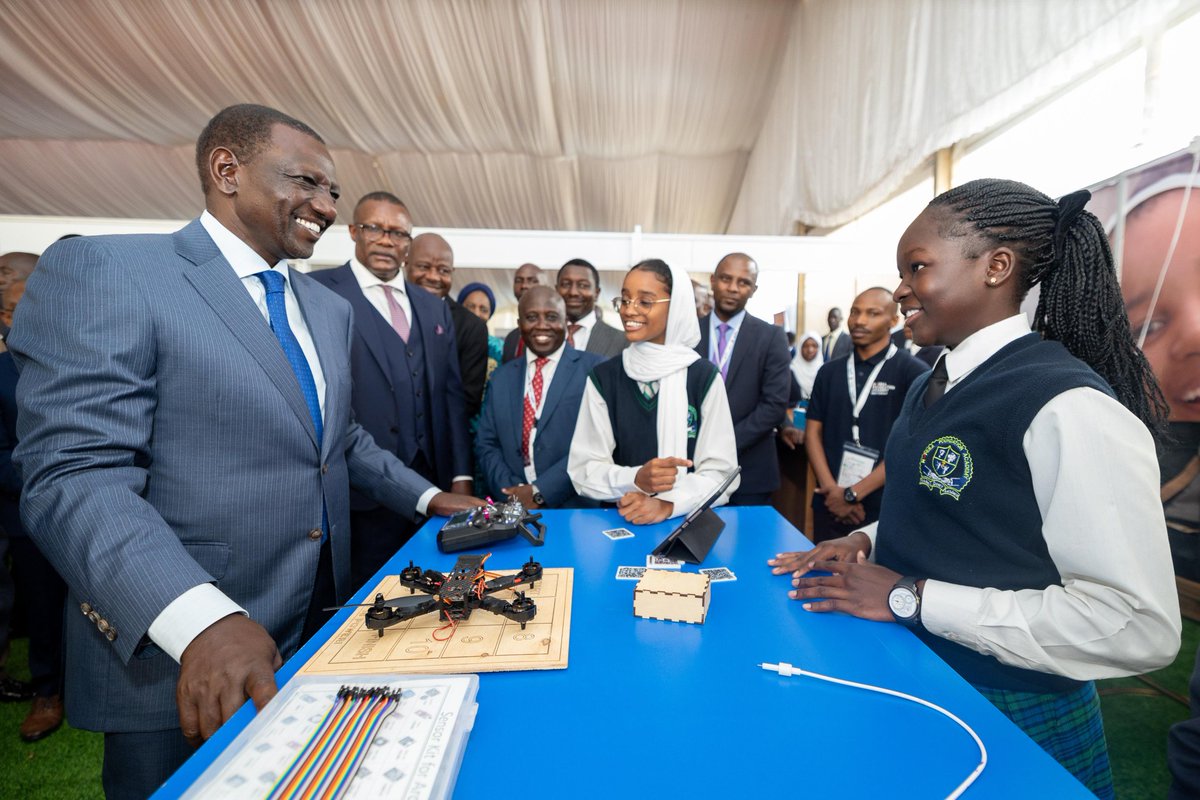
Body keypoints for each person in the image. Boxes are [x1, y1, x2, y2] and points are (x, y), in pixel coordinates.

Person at [8, 104, 480, 798]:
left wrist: (430, 496)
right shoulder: (108, 268)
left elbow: (338, 436)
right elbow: (75, 475)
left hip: (317, 625)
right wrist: (202, 620)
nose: (324, 205)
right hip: (179, 652)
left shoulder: (327, 308)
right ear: (225, 169)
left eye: (333, 193)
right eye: (306, 182)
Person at [771, 178, 1181, 798]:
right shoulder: (933, 381)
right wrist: (866, 540)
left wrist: (911, 596)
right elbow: (969, 509)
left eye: (917, 267)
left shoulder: (1067, 406)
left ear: (996, 266)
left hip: (1012, 713)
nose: (902, 288)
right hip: (916, 675)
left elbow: (1134, 625)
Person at [309, 192, 475, 587]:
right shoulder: (317, 292)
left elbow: (451, 397)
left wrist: (461, 475)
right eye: (375, 229)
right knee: (369, 596)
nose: (387, 240)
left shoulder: (433, 307)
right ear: (353, 232)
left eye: (398, 233)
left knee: (437, 590)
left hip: (431, 482)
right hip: (358, 490)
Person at [568, 258, 739, 524]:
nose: (629, 310)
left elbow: (721, 473)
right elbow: (583, 469)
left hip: (688, 522)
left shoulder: (703, 377)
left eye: (645, 301)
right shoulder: (604, 377)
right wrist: (634, 479)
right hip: (621, 518)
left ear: (677, 307)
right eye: (625, 300)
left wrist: (667, 504)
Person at [804, 287, 927, 542]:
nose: (859, 321)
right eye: (855, 312)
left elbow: (911, 446)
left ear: (893, 321)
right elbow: (813, 433)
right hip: (830, 501)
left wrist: (853, 494)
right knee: (821, 575)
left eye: (873, 313)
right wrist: (833, 492)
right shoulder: (829, 372)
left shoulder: (914, 372)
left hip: (884, 504)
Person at [0, 277, 66, 742]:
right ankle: (48, 692)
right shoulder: (2, 372)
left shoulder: (84, 357)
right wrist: (55, 483)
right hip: (31, 516)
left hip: (108, 512)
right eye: (17, 307)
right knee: (42, 610)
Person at [476, 286, 602, 507]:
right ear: (519, 324)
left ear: (565, 322)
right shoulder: (501, 377)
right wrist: (511, 491)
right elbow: (487, 444)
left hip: (573, 507)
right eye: (531, 317)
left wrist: (539, 491)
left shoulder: (594, 369)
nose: (542, 325)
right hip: (512, 506)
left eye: (551, 317)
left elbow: (595, 443)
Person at [696, 253, 791, 505]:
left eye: (743, 282)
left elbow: (774, 405)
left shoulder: (771, 337)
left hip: (750, 469)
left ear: (753, 289)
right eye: (726, 279)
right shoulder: (688, 333)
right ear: (713, 280)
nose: (733, 288)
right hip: (691, 465)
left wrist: (721, 444)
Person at [406, 232, 490, 418]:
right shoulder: (387, 311)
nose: (434, 277)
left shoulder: (472, 327)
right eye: (424, 267)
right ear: (406, 264)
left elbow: (468, 400)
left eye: (443, 270)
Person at [556, 257, 626, 358]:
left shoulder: (621, 341)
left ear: (596, 293)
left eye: (583, 285)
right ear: (556, 290)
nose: (573, 292)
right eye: (566, 284)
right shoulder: (538, 337)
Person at [457, 281, 504, 376]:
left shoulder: (500, 348)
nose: (476, 314)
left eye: (483, 310)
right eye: (470, 307)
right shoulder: (448, 343)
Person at [501, 262, 544, 362]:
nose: (524, 285)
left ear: (545, 285)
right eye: (518, 280)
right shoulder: (511, 338)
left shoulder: (554, 332)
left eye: (532, 280)